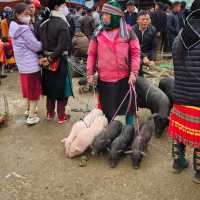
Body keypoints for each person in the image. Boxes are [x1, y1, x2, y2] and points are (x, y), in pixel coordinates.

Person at [87, 0, 140, 125]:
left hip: (124, 78)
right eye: (103, 14)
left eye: (106, 14)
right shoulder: (98, 32)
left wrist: (134, 72)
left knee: (128, 108)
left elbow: (136, 53)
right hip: (105, 79)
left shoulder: (127, 32)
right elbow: (91, 54)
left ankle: (130, 130)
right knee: (108, 110)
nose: (103, 16)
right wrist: (90, 73)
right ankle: (109, 134)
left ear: (115, 16)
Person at [168, 0, 200, 184]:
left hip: (180, 93)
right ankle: (199, 173)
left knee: (180, 132)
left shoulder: (180, 35)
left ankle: (178, 161)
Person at [38, 0, 73, 124]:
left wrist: (44, 57)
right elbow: (63, 45)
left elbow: (40, 44)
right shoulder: (63, 24)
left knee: (49, 88)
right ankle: (61, 116)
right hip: (59, 60)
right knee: (62, 89)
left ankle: (49, 113)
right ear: (57, 6)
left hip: (46, 61)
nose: (65, 7)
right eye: (64, 5)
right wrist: (51, 58)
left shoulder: (43, 24)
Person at [9, 3, 42, 125]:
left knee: (28, 90)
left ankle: (28, 110)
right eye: (25, 14)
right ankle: (32, 117)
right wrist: (43, 44)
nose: (28, 16)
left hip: (22, 65)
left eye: (29, 14)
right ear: (17, 15)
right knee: (34, 92)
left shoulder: (13, 27)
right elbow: (36, 46)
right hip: (31, 65)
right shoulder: (24, 30)